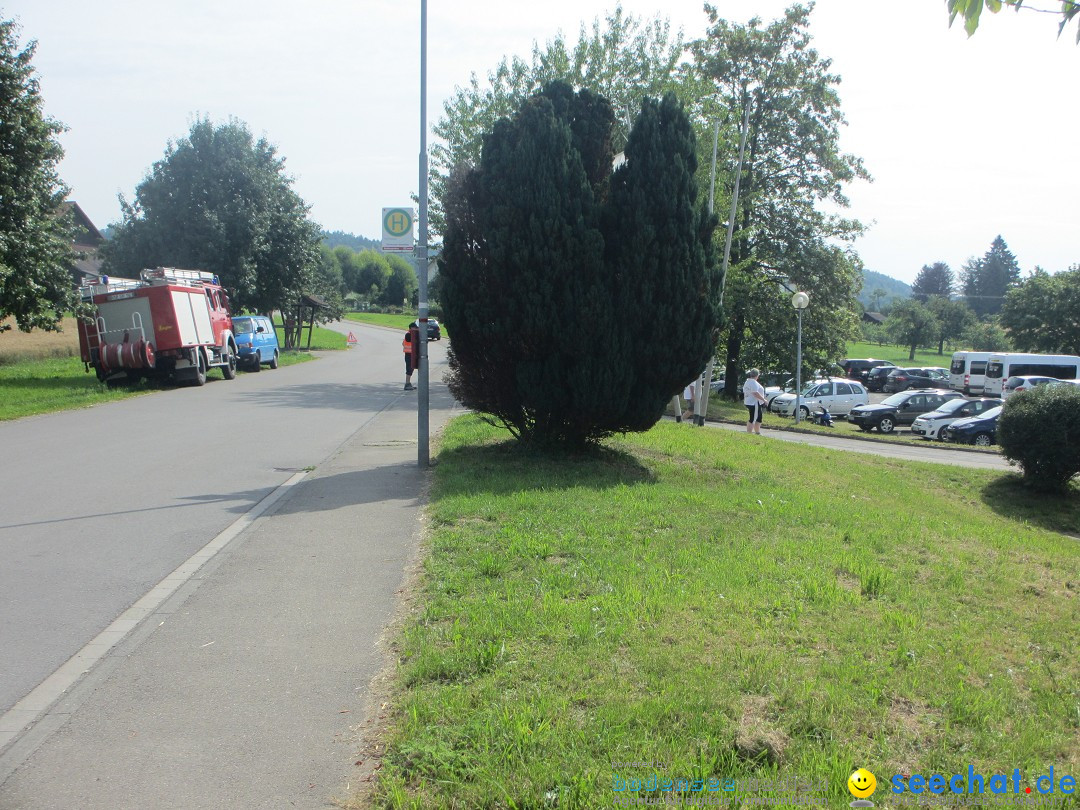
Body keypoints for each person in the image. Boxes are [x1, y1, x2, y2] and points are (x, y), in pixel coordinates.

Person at [743, 368, 767, 434]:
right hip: (754, 403)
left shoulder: (748, 381)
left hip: (752, 402)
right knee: (753, 418)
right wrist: (764, 400)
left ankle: (757, 432)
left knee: (759, 418)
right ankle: (749, 433)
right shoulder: (753, 382)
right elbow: (755, 393)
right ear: (757, 375)